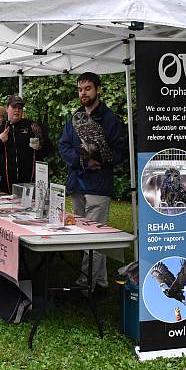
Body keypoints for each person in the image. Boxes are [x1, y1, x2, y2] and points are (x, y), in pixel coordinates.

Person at [59, 72, 127, 292]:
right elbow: (64, 147)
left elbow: (120, 151)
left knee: (94, 236)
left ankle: (86, 283)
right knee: (81, 235)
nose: (83, 93)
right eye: (80, 89)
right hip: (78, 182)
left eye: (87, 88)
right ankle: (99, 281)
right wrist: (82, 160)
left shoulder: (110, 119)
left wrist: (101, 160)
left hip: (98, 185)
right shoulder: (75, 118)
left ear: (98, 89)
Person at [0, 95, 53, 193]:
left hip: (30, 186)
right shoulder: (0, 130)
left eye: (20, 108)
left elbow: (48, 149)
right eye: (14, 107)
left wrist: (40, 145)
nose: (17, 110)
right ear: (7, 109)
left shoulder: (33, 126)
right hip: (6, 189)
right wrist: (0, 141)